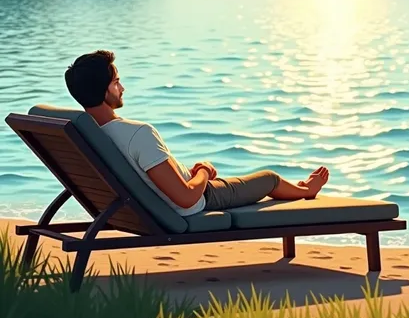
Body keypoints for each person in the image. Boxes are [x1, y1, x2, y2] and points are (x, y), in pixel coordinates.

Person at [64, 50, 329, 217]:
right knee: (269, 178)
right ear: (104, 90)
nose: (121, 88)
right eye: (116, 82)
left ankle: (301, 187)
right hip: (197, 202)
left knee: (238, 180)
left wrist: (188, 176)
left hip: (141, 207)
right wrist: (203, 171)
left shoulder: (88, 134)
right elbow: (187, 197)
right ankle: (306, 191)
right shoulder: (138, 134)